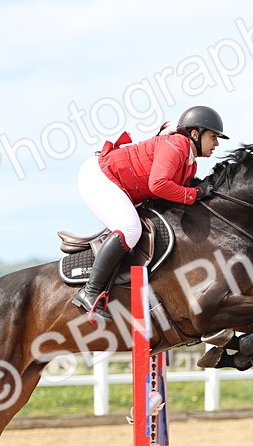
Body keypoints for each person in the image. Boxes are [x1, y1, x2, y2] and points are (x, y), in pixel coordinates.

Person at [71, 105, 228, 321]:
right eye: (213, 137)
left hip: (117, 183)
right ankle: (89, 292)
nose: (217, 143)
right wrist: (193, 194)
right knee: (130, 229)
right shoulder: (177, 145)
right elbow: (158, 185)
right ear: (195, 134)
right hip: (99, 176)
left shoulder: (189, 164)